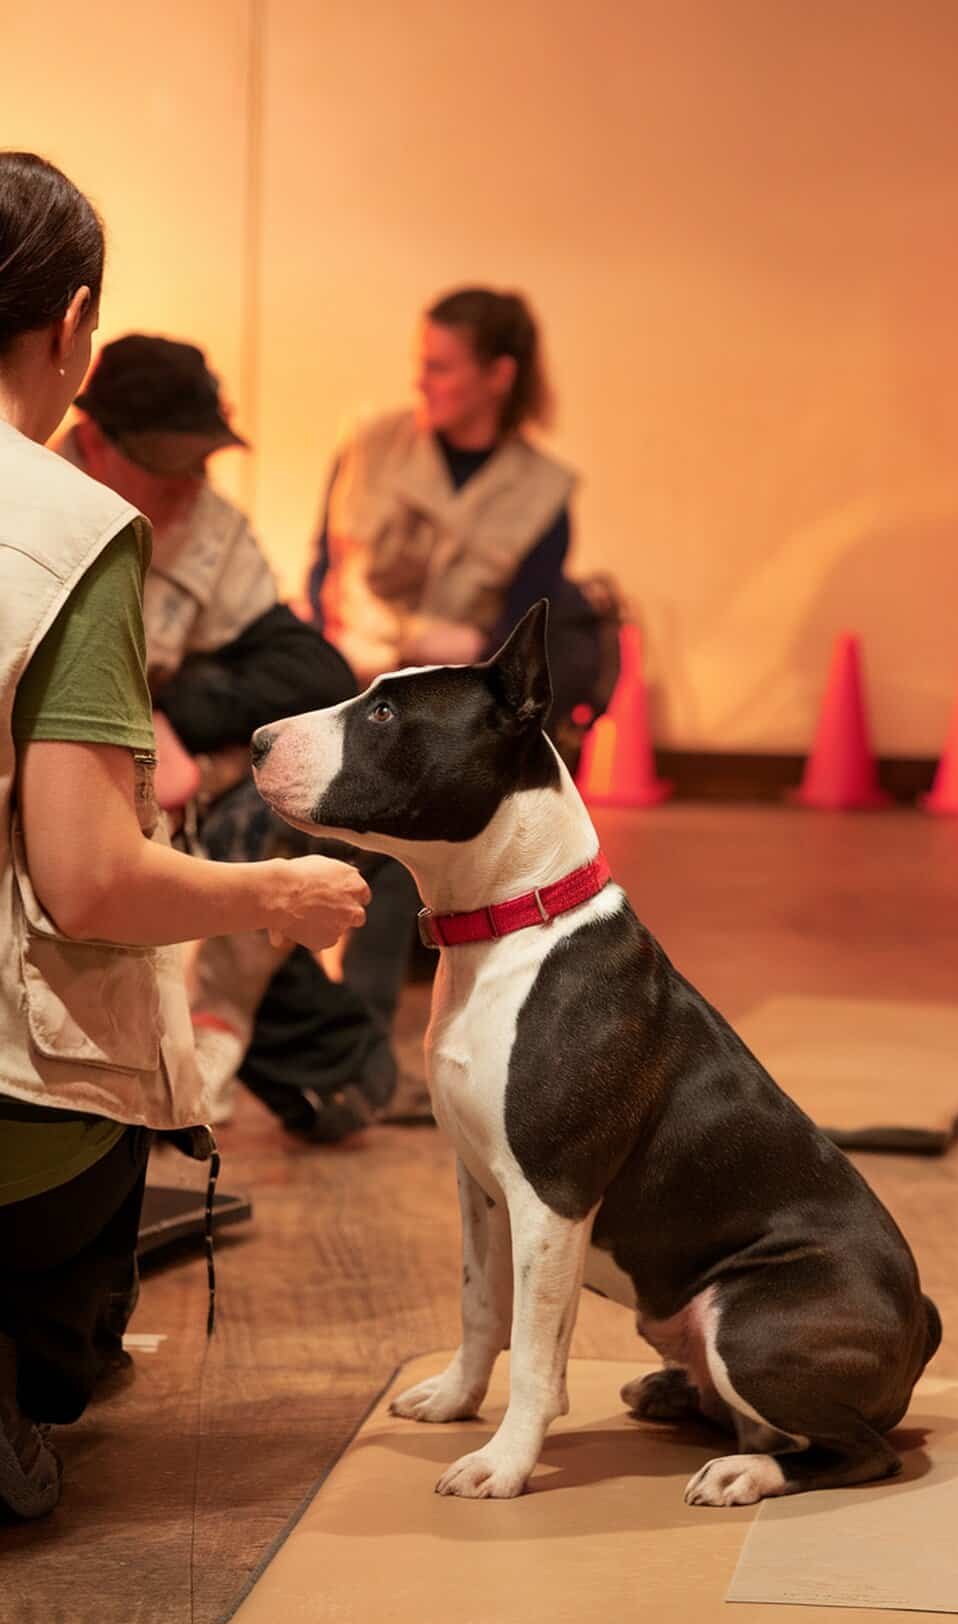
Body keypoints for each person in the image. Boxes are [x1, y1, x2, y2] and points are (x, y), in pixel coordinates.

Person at [0, 151, 369, 1519]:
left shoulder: (178, 522)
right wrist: (272, 891)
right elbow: (91, 880)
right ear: (71, 327)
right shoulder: (68, 523)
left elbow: (297, 656)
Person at [59, 335, 428, 1141]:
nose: (190, 488)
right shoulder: (37, 514)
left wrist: (175, 709)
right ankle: (329, 1062)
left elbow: (310, 670)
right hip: (71, 818)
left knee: (359, 794)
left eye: (202, 464)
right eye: (168, 466)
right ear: (94, 441)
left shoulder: (209, 529)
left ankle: (300, 1051)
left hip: (181, 804)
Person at [304, 287, 620, 752]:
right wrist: (325, 646)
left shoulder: (543, 494)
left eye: (440, 368)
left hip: (455, 712)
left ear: (499, 376)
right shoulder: (367, 447)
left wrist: (475, 647)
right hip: (345, 686)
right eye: (421, 363)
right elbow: (321, 568)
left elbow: (520, 636)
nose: (419, 382)